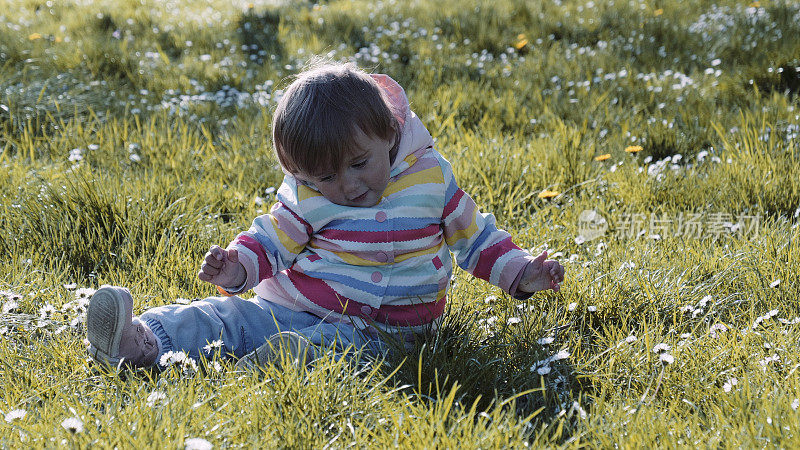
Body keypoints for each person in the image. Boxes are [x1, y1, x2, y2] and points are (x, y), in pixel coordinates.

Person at [86, 62, 565, 371]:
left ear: (389, 133)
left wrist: (523, 273)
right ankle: (141, 340)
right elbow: (272, 240)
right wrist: (235, 267)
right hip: (290, 305)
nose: (348, 186)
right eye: (323, 178)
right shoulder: (309, 194)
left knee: (338, 349)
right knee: (230, 317)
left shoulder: (430, 181)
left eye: (360, 165)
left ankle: (274, 363)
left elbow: (476, 239)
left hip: (389, 331)